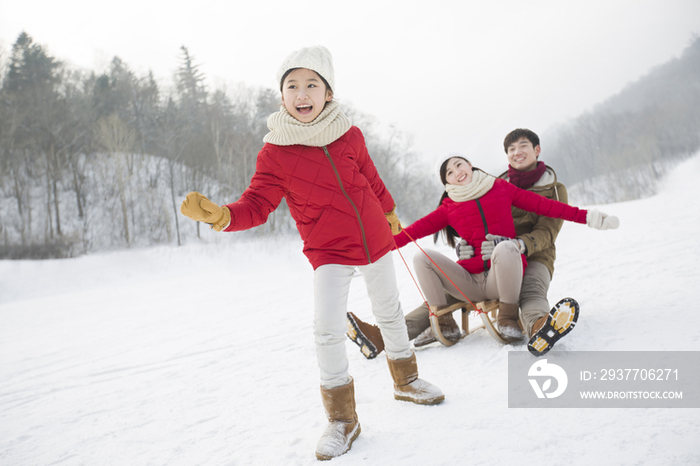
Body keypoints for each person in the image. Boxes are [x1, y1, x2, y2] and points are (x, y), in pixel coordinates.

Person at [179, 46, 443, 461]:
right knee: (326, 327)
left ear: (328, 92)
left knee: (390, 312)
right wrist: (223, 216)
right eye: (293, 86)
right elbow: (257, 205)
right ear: (281, 96)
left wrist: (390, 210)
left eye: (312, 85)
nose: (302, 93)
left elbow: (371, 179)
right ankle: (342, 419)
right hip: (328, 250)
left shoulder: (349, 134)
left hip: (375, 239)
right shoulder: (275, 152)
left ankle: (405, 380)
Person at [347, 148, 618, 358]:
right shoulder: (449, 207)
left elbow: (549, 207)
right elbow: (410, 234)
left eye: (459, 165)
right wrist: (368, 251)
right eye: (449, 173)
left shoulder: (500, 188)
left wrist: (590, 217)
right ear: (446, 183)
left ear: (470, 165)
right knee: (422, 257)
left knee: (507, 247)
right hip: (471, 281)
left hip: (505, 277)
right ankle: (443, 321)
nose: (456, 172)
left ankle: (511, 318)